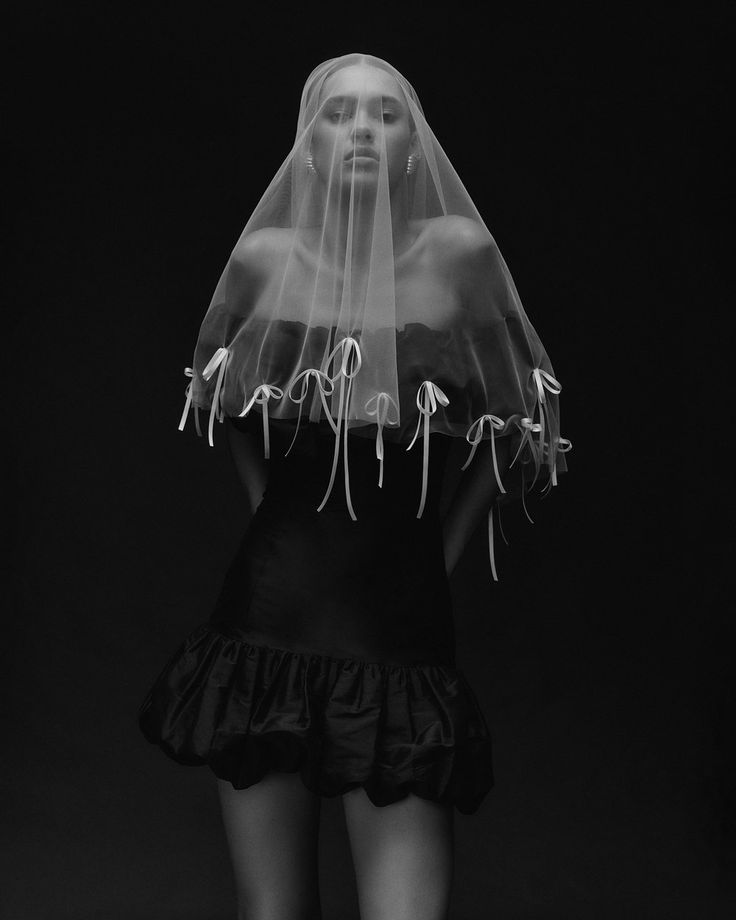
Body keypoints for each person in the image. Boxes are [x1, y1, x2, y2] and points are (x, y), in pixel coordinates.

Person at [138, 52, 569, 920]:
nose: (364, 130)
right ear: (307, 146)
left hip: (400, 636)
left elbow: (521, 414)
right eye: (340, 114)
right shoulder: (266, 259)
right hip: (266, 628)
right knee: (273, 913)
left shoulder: (459, 255)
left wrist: (437, 553)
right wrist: (270, 513)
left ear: (415, 144)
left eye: (385, 114)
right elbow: (220, 401)